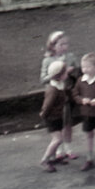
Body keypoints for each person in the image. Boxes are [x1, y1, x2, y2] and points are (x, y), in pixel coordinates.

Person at [39, 31, 80, 161]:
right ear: (52, 46)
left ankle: (68, 148)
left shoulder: (71, 57)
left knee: (68, 122)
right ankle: (58, 150)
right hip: (56, 96)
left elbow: (79, 73)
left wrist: (72, 71)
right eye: (61, 44)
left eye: (66, 44)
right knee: (58, 123)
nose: (64, 47)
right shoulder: (47, 60)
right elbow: (43, 79)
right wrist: (56, 74)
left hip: (67, 94)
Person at [38, 60, 68, 172]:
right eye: (65, 72)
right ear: (59, 75)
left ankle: (53, 158)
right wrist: (44, 115)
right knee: (57, 140)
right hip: (52, 118)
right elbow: (47, 105)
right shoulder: (53, 90)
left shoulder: (59, 85)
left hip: (58, 116)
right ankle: (44, 160)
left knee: (58, 138)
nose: (67, 74)